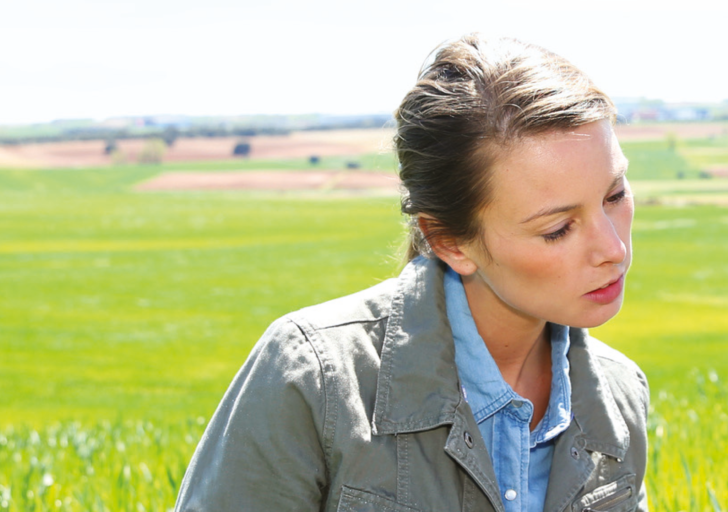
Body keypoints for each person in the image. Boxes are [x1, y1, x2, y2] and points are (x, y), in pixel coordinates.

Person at [173, 34, 649, 512]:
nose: (613, 247)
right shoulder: (313, 378)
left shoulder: (621, 393)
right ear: (448, 241)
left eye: (615, 195)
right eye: (558, 229)